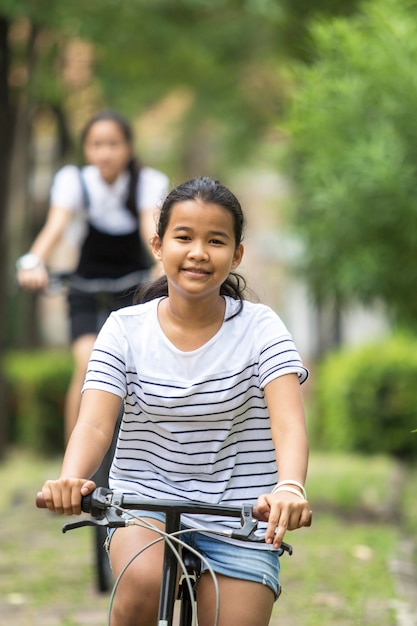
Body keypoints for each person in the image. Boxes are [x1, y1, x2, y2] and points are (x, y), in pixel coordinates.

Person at [41, 176, 311, 626]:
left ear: (236, 254)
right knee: (142, 586)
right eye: (183, 237)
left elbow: (288, 424)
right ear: (158, 246)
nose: (198, 252)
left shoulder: (262, 328)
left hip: (243, 511)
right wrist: (71, 479)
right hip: (142, 502)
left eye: (216, 240)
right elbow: (94, 425)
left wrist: (290, 488)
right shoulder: (124, 328)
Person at [16, 110, 169, 441]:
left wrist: (163, 265)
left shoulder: (148, 183)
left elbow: (151, 230)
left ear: (128, 148)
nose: (105, 153)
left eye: (113, 144)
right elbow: (54, 228)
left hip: (134, 290)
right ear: (86, 149)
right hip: (84, 288)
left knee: (138, 372)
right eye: (96, 144)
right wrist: (32, 262)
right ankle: (73, 468)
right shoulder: (74, 181)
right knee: (86, 364)